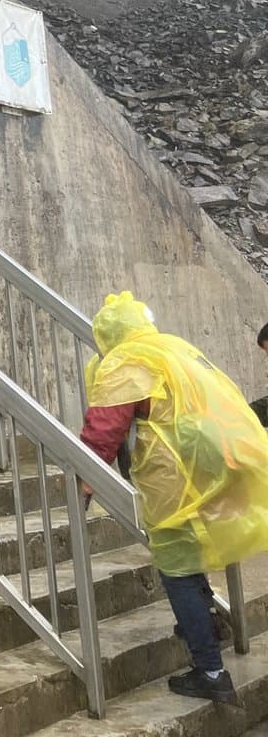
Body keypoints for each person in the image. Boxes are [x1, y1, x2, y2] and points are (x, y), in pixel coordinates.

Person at [80, 292, 268, 705]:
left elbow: (104, 429)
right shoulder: (171, 347)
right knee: (187, 555)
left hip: (174, 475)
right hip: (209, 462)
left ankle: (211, 671)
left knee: (176, 568)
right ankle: (206, 623)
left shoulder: (125, 361)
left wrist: (86, 482)